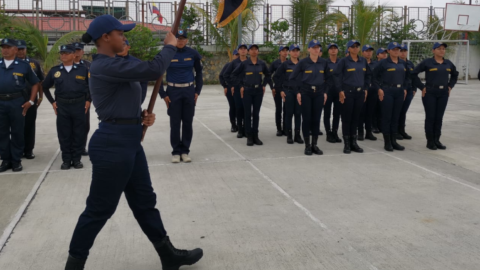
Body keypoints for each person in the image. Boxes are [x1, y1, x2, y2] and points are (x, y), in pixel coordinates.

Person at [64, 15, 203, 270]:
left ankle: (168, 255)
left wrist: (140, 117)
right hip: (112, 145)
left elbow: (123, 102)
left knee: (144, 202)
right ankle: (74, 265)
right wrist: (169, 46)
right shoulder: (103, 65)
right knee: (99, 210)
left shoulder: (117, 64)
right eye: (120, 33)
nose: (123, 37)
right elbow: (154, 69)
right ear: (106, 38)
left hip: (129, 140)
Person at [42, 44, 90, 169]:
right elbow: (45, 86)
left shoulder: (83, 70)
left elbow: (91, 86)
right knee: (64, 133)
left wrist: (89, 100)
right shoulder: (55, 70)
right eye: (62, 53)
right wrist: (53, 102)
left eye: (67, 53)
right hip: (62, 105)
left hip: (79, 105)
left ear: (74, 55)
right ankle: (66, 160)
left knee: (79, 133)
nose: (63, 55)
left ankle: (77, 159)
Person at [159, 30, 203, 163]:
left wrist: (197, 91)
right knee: (175, 123)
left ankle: (185, 151)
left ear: (187, 40)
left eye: (183, 39)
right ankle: (176, 152)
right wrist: (163, 94)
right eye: (178, 38)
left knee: (188, 122)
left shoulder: (193, 54)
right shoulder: (167, 53)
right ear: (175, 40)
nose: (181, 41)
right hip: (173, 91)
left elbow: (199, 73)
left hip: (189, 91)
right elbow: (158, 73)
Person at [0, 38, 39, 172]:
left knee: (17, 132)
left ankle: (16, 160)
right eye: (3, 47)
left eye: (8, 47)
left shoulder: (23, 65)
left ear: (15, 49)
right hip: (1, 103)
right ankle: (5, 160)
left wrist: (31, 101)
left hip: (17, 102)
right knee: (2, 132)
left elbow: (35, 83)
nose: (5, 50)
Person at [411, 42, 458, 150]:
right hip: (430, 92)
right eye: (439, 49)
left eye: (443, 49)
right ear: (433, 50)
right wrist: (422, 87)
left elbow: (455, 75)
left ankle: (437, 140)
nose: (442, 50)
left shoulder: (448, 63)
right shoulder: (428, 62)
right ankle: (430, 141)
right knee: (431, 117)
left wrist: (450, 86)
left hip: (443, 93)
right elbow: (413, 74)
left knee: (439, 118)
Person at [290, 40, 330, 155]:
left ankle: (314, 145)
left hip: (319, 93)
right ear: (309, 49)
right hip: (306, 93)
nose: (316, 49)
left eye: (318, 47)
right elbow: (292, 78)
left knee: (316, 119)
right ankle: (307, 145)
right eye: (314, 47)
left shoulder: (323, 62)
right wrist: (298, 92)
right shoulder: (303, 63)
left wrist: (325, 92)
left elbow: (329, 79)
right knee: (306, 119)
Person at [334, 40, 372, 154]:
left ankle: (354, 143)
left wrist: (366, 88)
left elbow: (368, 75)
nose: (355, 48)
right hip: (347, 93)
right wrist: (340, 90)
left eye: (357, 46)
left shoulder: (363, 61)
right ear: (349, 49)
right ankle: (346, 144)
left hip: (359, 93)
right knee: (347, 119)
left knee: (356, 118)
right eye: (353, 47)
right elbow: (336, 76)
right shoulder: (344, 61)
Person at [230, 44, 271, 146]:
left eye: (255, 49)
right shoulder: (244, 64)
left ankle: (255, 136)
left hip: (258, 91)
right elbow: (234, 75)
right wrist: (241, 86)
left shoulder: (261, 63)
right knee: (247, 114)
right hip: (247, 90)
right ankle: (249, 136)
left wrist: (264, 85)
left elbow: (268, 75)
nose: (253, 51)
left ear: (258, 51)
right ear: (249, 52)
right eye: (251, 49)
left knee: (256, 114)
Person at [372, 42, 408, 152]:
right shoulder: (383, 63)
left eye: (398, 49)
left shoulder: (402, 63)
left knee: (395, 117)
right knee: (387, 117)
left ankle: (394, 141)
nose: (396, 51)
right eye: (394, 49)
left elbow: (407, 77)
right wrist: (379, 89)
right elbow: (373, 77)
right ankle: (387, 142)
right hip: (387, 91)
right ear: (389, 51)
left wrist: (405, 88)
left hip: (399, 91)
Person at [16, 39, 45, 159]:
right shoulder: (10, 63)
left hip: (31, 98)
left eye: (22, 49)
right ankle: (17, 150)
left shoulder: (34, 63)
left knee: (29, 125)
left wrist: (40, 96)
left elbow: (40, 81)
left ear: (26, 49)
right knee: (15, 126)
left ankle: (28, 150)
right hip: (15, 98)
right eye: (18, 49)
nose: (20, 51)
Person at [273, 44, 303, 144]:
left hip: (299, 92)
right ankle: (289, 134)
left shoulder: (302, 64)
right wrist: (281, 89)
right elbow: (276, 77)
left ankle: (297, 135)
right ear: (289, 52)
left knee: (298, 113)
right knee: (289, 113)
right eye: (293, 51)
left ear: (299, 52)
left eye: (297, 51)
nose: (295, 52)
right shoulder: (285, 64)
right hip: (288, 91)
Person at [225, 44, 248, 138]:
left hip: (248, 89)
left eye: (244, 49)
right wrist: (232, 85)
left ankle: (246, 128)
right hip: (237, 89)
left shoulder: (250, 62)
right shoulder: (234, 63)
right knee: (238, 108)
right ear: (238, 51)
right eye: (241, 49)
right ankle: (239, 128)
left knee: (246, 109)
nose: (243, 50)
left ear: (247, 51)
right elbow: (226, 75)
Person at [72, 42, 91, 156]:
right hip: (69, 100)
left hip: (84, 101)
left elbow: (92, 85)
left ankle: (82, 147)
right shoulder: (66, 65)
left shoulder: (88, 65)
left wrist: (89, 100)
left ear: (83, 52)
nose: (76, 53)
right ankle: (71, 147)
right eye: (74, 50)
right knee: (71, 126)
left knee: (84, 125)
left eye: (79, 50)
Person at [116, 39, 149, 104]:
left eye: (123, 45)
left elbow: (143, 83)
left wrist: (139, 101)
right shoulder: (109, 61)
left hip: (132, 101)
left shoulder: (136, 63)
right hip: (113, 103)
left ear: (128, 47)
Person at [357, 44, 378, 141]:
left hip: (373, 91)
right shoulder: (359, 63)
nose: (369, 52)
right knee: (361, 112)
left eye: (370, 51)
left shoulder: (376, 64)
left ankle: (368, 132)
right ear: (362, 52)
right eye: (367, 51)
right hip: (361, 90)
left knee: (370, 112)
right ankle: (360, 132)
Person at [324, 43, 342, 144]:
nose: (333, 50)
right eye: (331, 49)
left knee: (337, 114)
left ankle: (335, 132)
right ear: (328, 51)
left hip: (338, 91)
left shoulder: (341, 62)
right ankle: (328, 133)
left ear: (337, 50)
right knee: (327, 113)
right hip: (328, 91)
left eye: (335, 48)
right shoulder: (325, 63)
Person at [397, 43, 416, 140]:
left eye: (404, 51)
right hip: (400, 89)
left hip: (409, 89)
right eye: (401, 51)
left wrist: (414, 89)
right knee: (398, 110)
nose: (403, 53)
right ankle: (396, 131)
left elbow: (414, 76)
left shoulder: (410, 63)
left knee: (404, 111)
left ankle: (402, 130)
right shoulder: (397, 63)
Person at [269, 45, 288, 136]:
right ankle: (279, 129)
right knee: (279, 108)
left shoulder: (290, 63)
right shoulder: (275, 63)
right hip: (277, 88)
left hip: (287, 89)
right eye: (283, 50)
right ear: (279, 52)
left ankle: (285, 128)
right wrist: (272, 87)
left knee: (286, 109)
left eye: (286, 50)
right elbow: (269, 75)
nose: (285, 52)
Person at [219, 49, 238, 132]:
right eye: (236, 55)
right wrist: (225, 86)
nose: (237, 56)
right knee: (233, 106)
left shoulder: (245, 64)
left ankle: (242, 124)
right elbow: (221, 76)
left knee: (242, 107)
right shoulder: (229, 65)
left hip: (242, 88)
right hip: (231, 88)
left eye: (238, 54)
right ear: (233, 56)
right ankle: (233, 124)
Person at [372, 47, 388, 134]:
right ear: (378, 55)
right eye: (382, 53)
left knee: (382, 108)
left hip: (385, 88)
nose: (384, 54)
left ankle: (380, 124)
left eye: (385, 53)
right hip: (375, 88)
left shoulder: (388, 64)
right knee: (375, 108)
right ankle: (374, 125)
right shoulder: (374, 64)